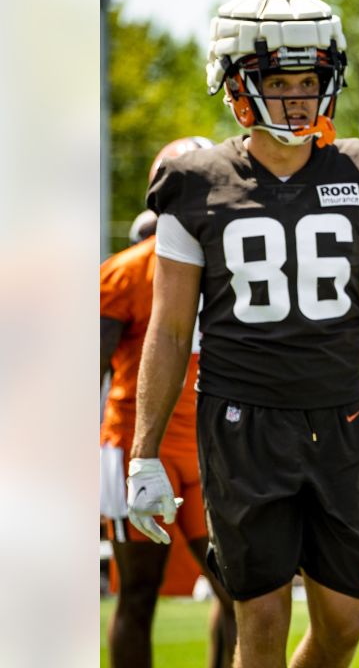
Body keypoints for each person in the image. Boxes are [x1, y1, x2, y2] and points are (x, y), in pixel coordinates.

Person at [126, 0, 359, 668]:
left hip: (341, 419)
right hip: (242, 423)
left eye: (310, 79)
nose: (299, 96)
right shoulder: (195, 184)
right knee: (261, 621)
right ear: (236, 82)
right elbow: (171, 331)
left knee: (342, 628)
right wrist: (143, 450)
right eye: (280, 79)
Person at [101, 142, 236, 668]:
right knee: (138, 590)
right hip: (141, 445)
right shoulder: (128, 270)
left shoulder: (241, 259)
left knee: (237, 590)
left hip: (213, 447)